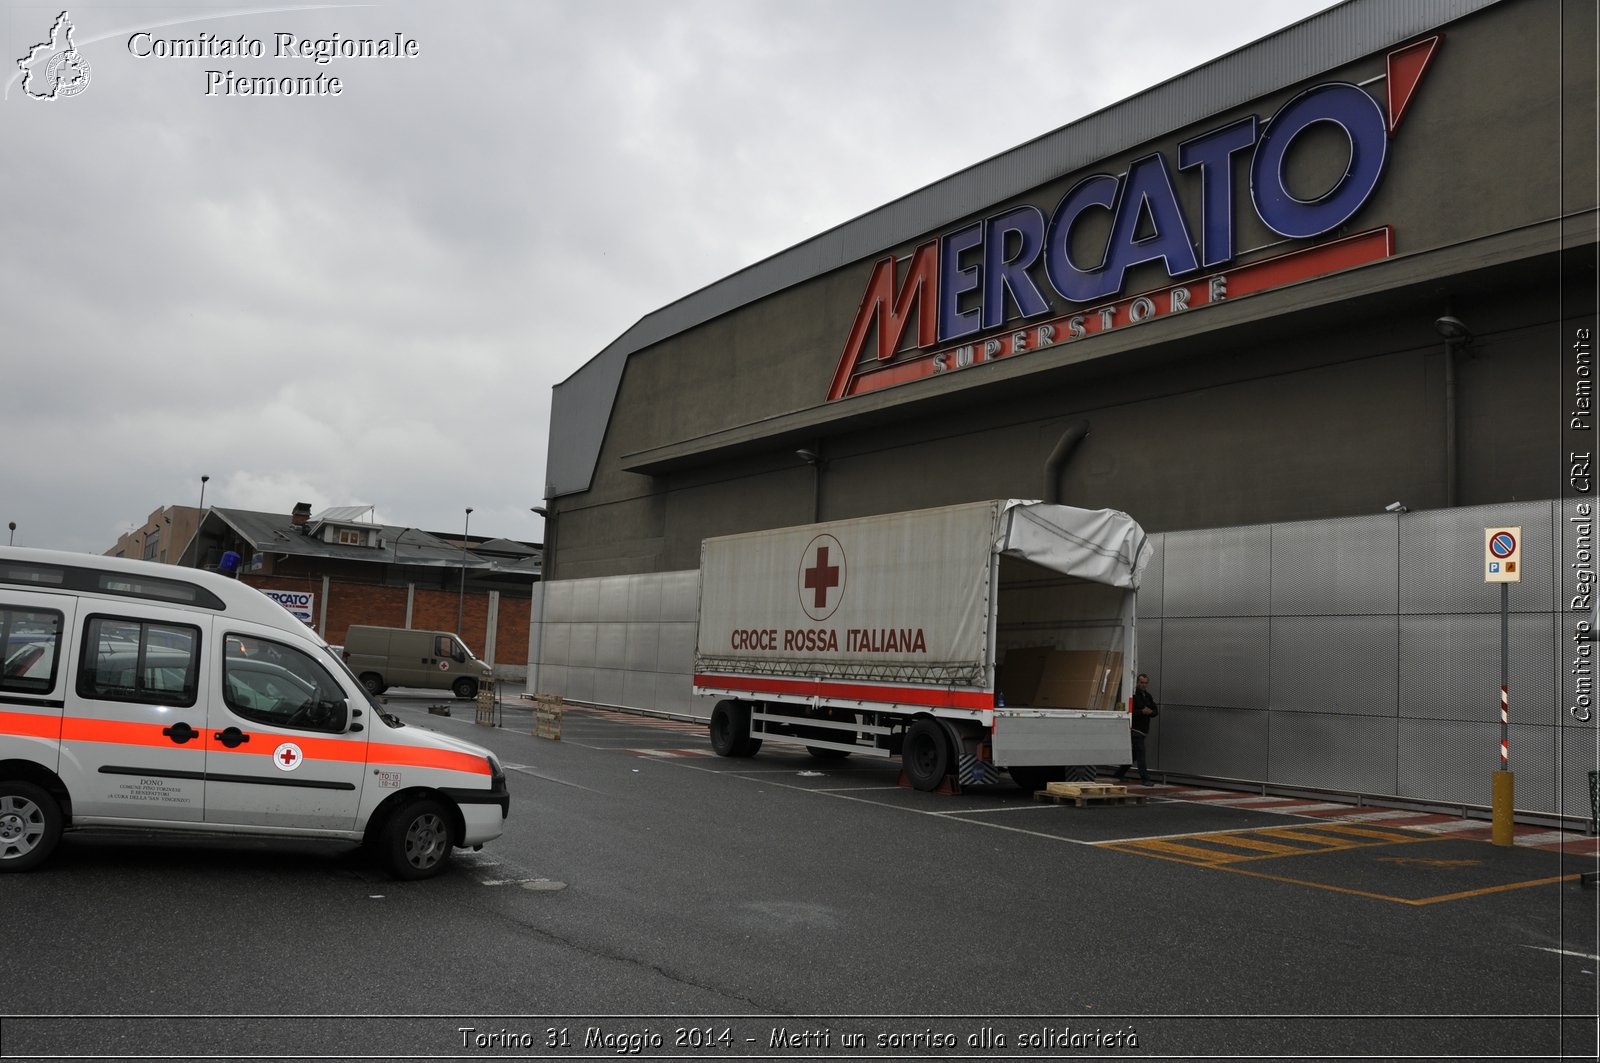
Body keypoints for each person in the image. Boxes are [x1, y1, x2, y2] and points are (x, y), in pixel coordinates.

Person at [1113, 672, 1158, 786]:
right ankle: (1145, 779)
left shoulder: (1148, 696)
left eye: (1146, 683)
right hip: (1135, 730)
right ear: (1137, 682)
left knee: (1133, 755)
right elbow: (1129, 712)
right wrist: (1142, 712)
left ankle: (1119, 773)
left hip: (1143, 730)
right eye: (1142, 682)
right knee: (1141, 754)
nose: (1144, 685)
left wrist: (1150, 712)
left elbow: (1155, 711)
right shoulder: (1133, 695)